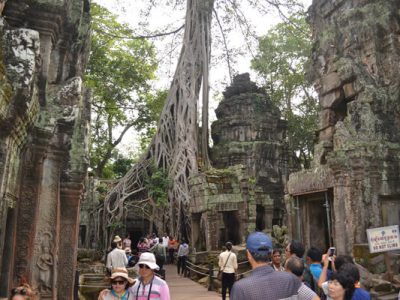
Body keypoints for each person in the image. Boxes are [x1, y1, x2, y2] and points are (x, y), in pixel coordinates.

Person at [230, 231, 301, 300]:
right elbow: (311, 296)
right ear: (271, 254)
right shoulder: (292, 279)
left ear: (248, 254)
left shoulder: (241, 288)